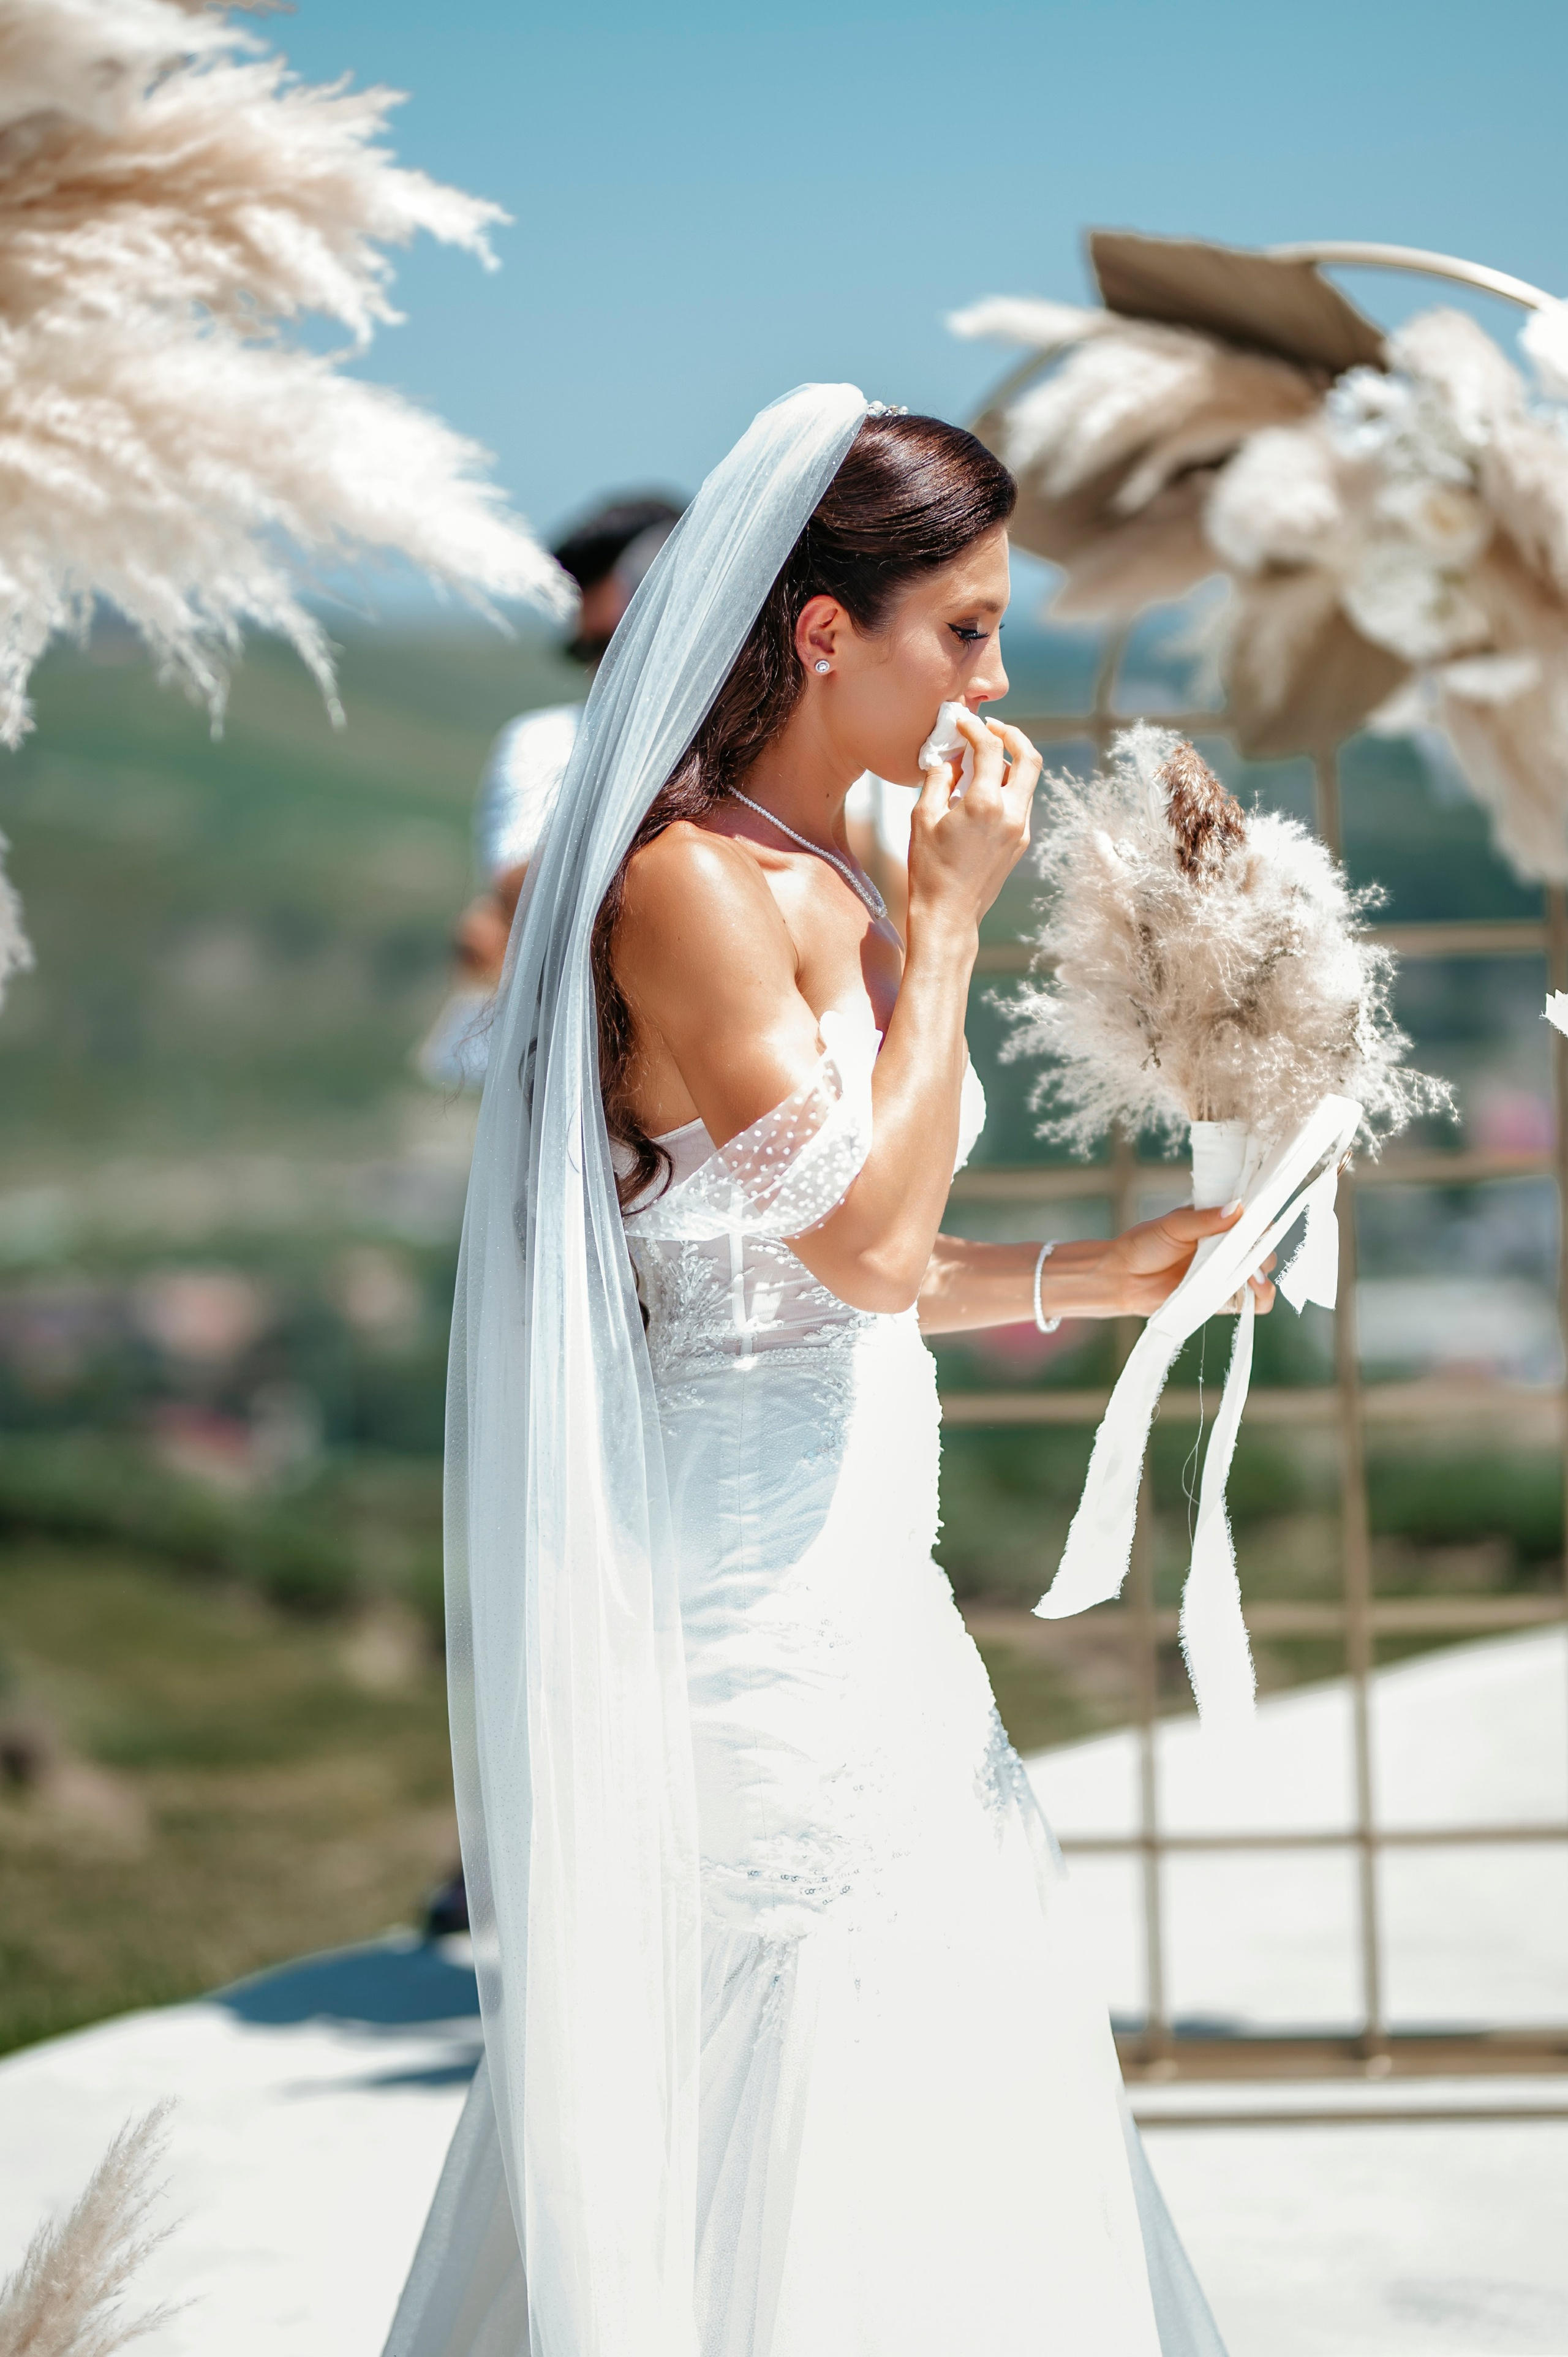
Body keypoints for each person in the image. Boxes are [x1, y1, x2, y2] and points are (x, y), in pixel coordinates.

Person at [386, 389, 1272, 2357]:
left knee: (947, 2041)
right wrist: (945, 934)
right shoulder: (684, 885)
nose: (992, 670)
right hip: (733, 1601)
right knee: (784, 2051)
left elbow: (838, 1276)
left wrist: (1108, 1270)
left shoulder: (817, 872)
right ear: (820, 633)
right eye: (961, 624)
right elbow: (861, 1244)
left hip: (865, 1575)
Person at [417, 493, 684, 1088]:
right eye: (593, 650)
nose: (609, 669)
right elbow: (526, 891)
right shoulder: (543, 741)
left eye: (626, 640)